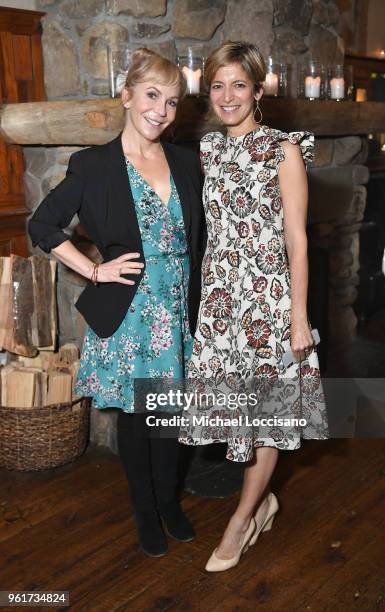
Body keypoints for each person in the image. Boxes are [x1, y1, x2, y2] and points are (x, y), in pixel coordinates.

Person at [28, 48, 206, 558]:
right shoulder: (95, 165)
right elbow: (42, 225)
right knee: (136, 421)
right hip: (129, 315)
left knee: (169, 418)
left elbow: (202, 237)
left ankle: (170, 504)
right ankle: (145, 510)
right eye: (152, 95)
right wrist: (93, 268)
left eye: (172, 102)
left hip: (176, 311)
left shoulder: (184, 161)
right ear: (126, 96)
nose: (161, 110)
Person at [179, 41, 329, 572]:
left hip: (269, 302)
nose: (226, 96)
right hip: (222, 306)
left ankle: (241, 520)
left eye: (238, 84)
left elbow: (298, 241)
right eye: (217, 85)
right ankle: (262, 501)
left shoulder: (283, 149)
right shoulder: (209, 150)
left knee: (268, 416)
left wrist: (297, 318)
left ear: (257, 91)